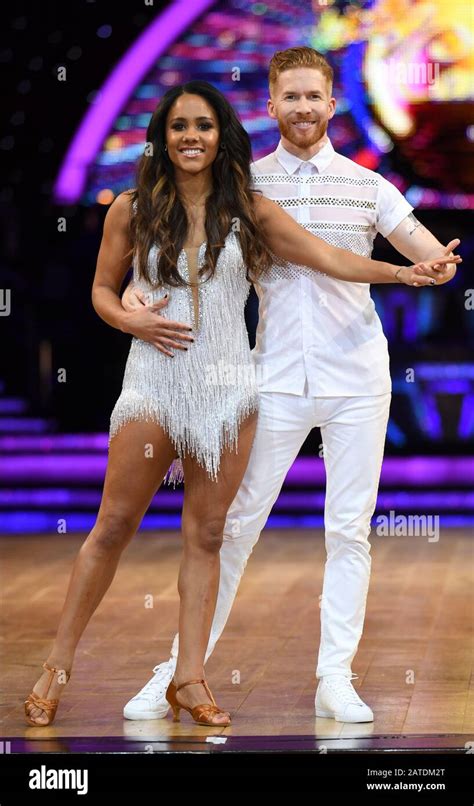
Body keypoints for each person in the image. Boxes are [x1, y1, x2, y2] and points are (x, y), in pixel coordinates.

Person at [24, 78, 458, 730]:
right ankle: (58, 665)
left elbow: (326, 257)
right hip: (157, 381)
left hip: (233, 390)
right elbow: (102, 293)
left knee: (208, 535)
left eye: (203, 125)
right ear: (163, 137)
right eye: (179, 126)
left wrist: (404, 272)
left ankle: (193, 679)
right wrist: (129, 320)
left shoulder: (247, 207)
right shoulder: (132, 208)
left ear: (222, 134)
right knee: (113, 528)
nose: (192, 137)